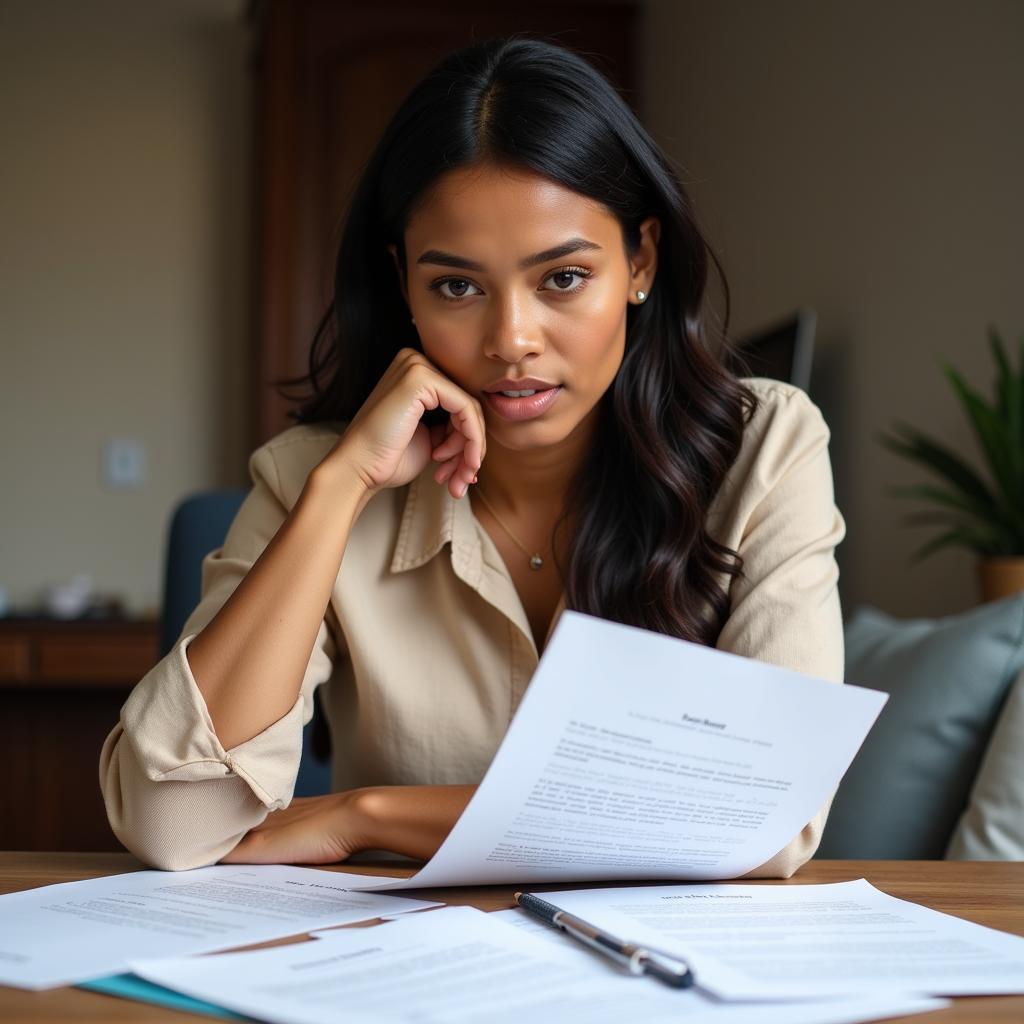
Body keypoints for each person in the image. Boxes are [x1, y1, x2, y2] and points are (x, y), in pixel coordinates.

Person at [99, 36, 845, 873]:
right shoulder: (311, 473)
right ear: (404, 285)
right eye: (456, 286)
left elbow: (770, 821)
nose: (511, 340)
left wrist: (365, 814)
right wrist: (342, 487)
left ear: (639, 261)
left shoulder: (767, 448)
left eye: (562, 278)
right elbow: (174, 824)